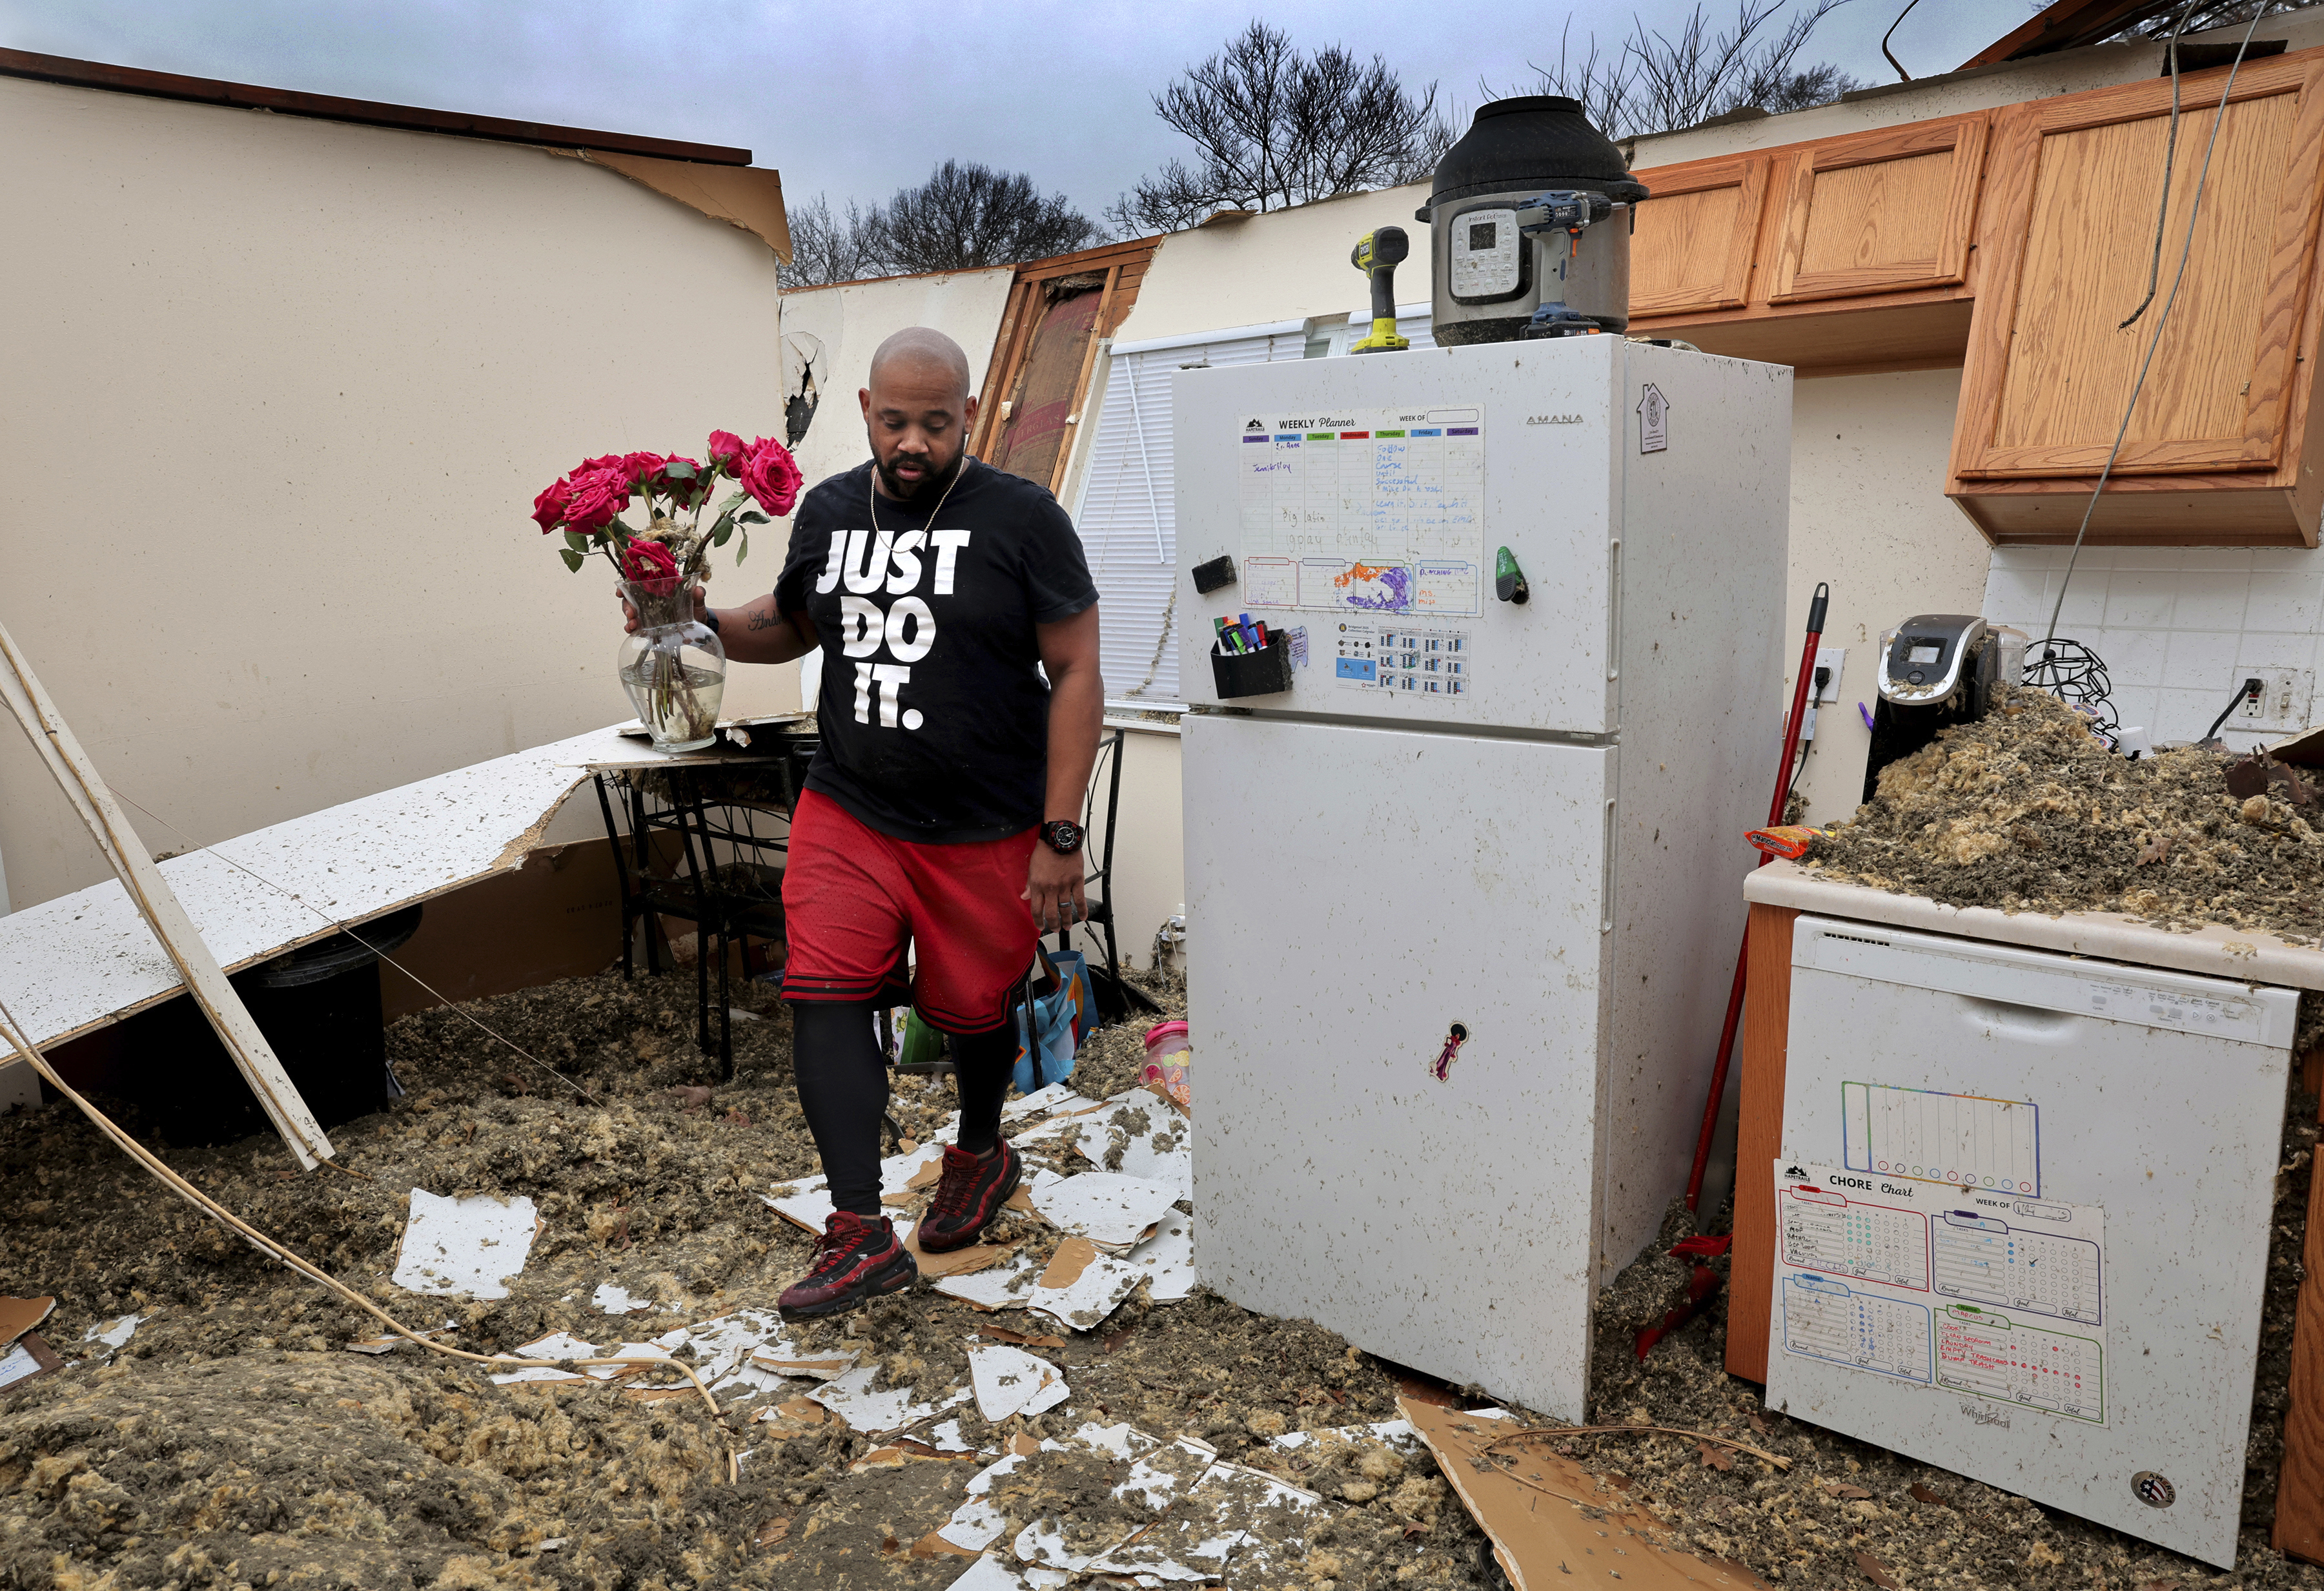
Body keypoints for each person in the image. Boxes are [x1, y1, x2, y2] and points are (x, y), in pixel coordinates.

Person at [624, 326, 1103, 1317]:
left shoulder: (1024, 520)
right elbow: (796, 622)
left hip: (985, 823)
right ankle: (858, 1234)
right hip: (853, 806)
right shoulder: (833, 510)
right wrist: (695, 622)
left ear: (969, 414)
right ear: (867, 415)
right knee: (825, 990)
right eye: (896, 421)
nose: (914, 441)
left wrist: (1062, 834)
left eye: (937, 421)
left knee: (970, 1012)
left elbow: (1078, 672)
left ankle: (979, 1151)